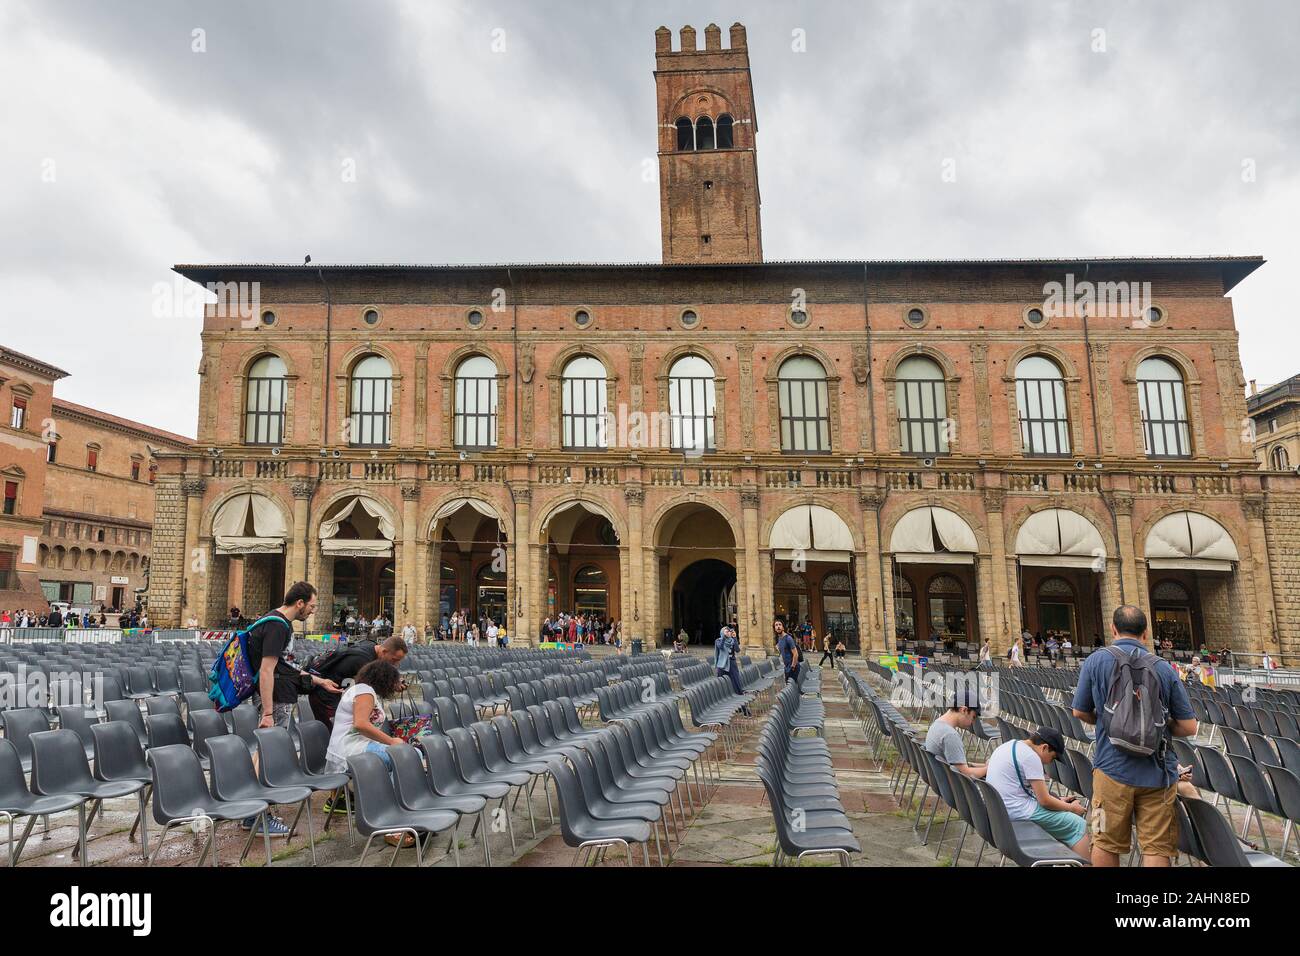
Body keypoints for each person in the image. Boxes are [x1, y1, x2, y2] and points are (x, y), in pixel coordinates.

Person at [1071, 604, 1197, 867]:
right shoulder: (1164, 668)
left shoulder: (1096, 660)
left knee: (1103, 839)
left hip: (1109, 771)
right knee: (1157, 846)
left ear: (1113, 629)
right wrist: (1157, 728)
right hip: (1158, 773)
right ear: (1145, 632)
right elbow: (1189, 727)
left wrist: (1108, 722)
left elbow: (1079, 711)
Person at [244, 581, 340, 835]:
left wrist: (318, 680)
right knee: (267, 753)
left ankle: (250, 811)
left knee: (262, 753)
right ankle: (255, 816)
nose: (312, 611)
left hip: (278, 695)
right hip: (274, 698)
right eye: (311, 606)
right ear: (300, 603)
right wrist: (267, 713)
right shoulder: (277, 626)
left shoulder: (275, 622)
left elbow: (284, 666)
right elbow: (266, 671)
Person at [985, 726, 1090, 858]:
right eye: (1053, 757)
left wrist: (1059, 801)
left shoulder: (1010, 745)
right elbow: (1044, 801)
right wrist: (1071, 808)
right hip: (1016, 812)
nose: (1051, 762)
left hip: (1001, 809)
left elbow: (1025, 790)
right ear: (1044, 747)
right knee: (1077, 825)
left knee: (1059, 809)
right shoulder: (1031, 757)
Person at [924, 696, 987, 778]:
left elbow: (958, 764)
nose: (973, 722)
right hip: (953, 786)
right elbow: (966, 773)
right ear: (964, 710)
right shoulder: (950, 735)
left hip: (943, 780)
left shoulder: (937, 724)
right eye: (973, 717)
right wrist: (990, 768)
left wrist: (985, 766)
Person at [775, 619, 800, 683]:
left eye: (780, 625)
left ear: (783, 627)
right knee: (789, 686)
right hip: (786, 667)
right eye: (776, 625)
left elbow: (796, 654)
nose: (778, 626)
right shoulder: (779, 638)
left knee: (792, 687)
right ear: (774, 628)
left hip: (792, 667)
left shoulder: (788, 638)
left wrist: (792, 667)